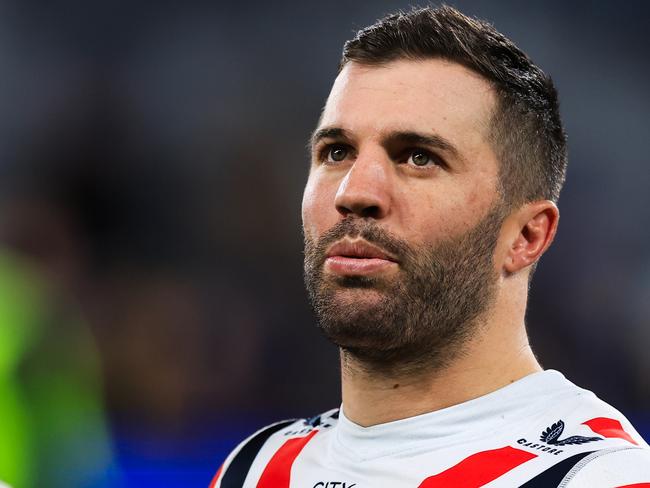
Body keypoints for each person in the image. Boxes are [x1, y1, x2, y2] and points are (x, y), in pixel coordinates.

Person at [210, 6, 650, 487]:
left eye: (419, 158)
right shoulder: (254, 467)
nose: (354, 192)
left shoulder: (596, 477)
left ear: (526, 237)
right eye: (337, 152)